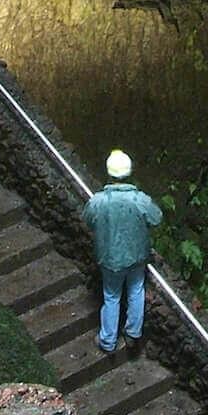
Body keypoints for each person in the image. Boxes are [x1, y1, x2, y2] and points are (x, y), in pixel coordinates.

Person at [82, 149, 161, 355]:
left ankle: (108, 340)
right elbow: (156, 218)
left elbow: (88, 219)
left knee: (111, 296)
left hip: (110, 259)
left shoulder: (99, 201)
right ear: (129, 172)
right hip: (136, 257)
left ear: (109, 173)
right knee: (136, 291)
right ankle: (133, 333)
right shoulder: (139, 199)